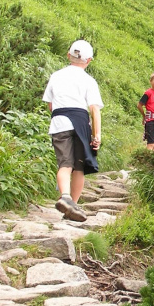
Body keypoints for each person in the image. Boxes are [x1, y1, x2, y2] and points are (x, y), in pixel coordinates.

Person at [42, 39, 103, 222]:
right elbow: (94, 109)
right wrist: (97, 134)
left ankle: (66, 197)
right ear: (89, 60)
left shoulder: (56, 76)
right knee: (79, 167)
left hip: (59, 121)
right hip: (80, 122)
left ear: (68, 55)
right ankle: (72, 204)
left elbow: (51, 105)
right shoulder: (88, 80)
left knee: (65, 165)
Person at [137, 72, 154, 151]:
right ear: (151, 81)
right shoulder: (148, 93)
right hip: (151, 120)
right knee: (151, 143)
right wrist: (144, 116)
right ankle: (147, 157)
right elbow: (139, 105)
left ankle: (153, 159)